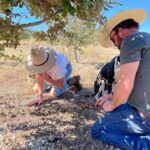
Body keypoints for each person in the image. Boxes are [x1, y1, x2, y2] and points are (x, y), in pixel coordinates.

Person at [91, 9, 150, 150]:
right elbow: (141, 80)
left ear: (121, 31)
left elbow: (125, 83)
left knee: (97, 129)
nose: (114, 44)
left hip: (144, 116)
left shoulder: (130, 40)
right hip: (140, 106)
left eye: (112, 39)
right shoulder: (146, 38)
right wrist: (111, 96)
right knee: (114, 110)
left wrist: (111, 104)